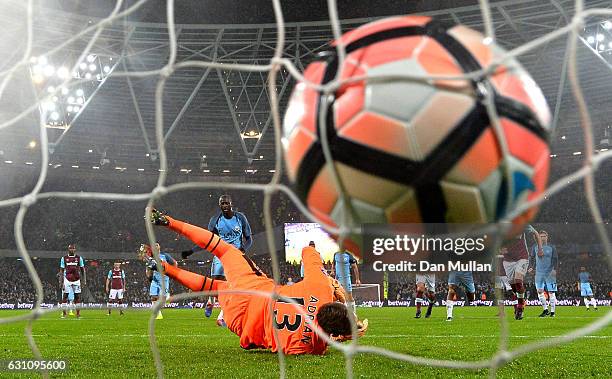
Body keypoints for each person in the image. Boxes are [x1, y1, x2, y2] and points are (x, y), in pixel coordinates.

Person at [143, 208, 368, 354]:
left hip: (254, 290)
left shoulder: (321, 287)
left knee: (222, 248)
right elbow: (321, 341)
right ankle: (164, 268)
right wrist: (345, 333)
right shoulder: (311, 346)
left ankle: (170, 221)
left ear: (333, 303)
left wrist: (315, 255)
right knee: (215, 287)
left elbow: (307, 252)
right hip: (240, 323)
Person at [181, 194, 253, 323]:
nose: (225, 206)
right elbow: (207, 240)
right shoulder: (215, 220)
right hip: (220, 254)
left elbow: (249, 239)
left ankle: (223, 314)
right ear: (220, 205)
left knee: (232, 284)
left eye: (227, 203)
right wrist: (191, 251)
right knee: (215, 283)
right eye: (222, 203)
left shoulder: (240, 218)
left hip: (236, 255)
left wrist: (242, 250)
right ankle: (211, 301)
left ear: (232, 204)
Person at [502, 224, 542, 320]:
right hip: (508, 260)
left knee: (518, 280)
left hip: (522, 257)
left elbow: (536, 233)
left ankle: (520, 307)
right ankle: (520, 302)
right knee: (514, 288)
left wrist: (540, 249)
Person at [143, 243, 177, 319]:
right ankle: (158, 313)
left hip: (164, 279)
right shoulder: (151, 258)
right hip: (155, 279)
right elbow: (149, 268)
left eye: (157, 245)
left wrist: (173, 272)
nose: (155, 246)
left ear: (159, 247)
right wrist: (148, 275)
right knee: (153, 297)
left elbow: (175, 263)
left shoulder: (165, 256)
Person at [528, 230, 558, 317]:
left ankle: (552, 312)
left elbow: (555, 259)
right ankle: (545, 310)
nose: (542, 238)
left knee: (551, 292)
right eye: (540, 236)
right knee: (540, 291)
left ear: (547, 237)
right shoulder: (535, 247)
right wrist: (531, 267)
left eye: (544, 236)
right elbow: (532, 258)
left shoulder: (552, 247)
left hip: (550, 273)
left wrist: (554, 269)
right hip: (539, 273)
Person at [59, 244, 86, 319]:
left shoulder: (78, 258)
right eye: (70, 248)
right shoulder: (64, 258)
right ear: (68, 249)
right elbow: (61, 270)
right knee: (65, 296)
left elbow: (82, 269)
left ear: (75, 249)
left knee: (77, 297)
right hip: (67, 279)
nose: (72, 250)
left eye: (73, 248)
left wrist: (84, 280)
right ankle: (64, 314)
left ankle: (78, 314)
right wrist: (61, 281)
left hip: (77, 280)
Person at [331, 250, 361, 315]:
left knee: (349, 297)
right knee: (337, 297)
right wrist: (332, 271)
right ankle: (339, 314)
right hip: (337, 280)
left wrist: (357, 279)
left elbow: (355, 267)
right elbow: (333, 263)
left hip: (346, 279)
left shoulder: (349, 255)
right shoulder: (336, 254)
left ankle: (353, 314)